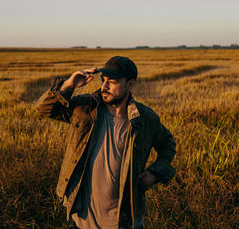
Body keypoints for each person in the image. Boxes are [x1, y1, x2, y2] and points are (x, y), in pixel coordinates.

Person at [35, 56, 176, 229]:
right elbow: (44, 108)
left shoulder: (145, 119)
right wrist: (69, 85)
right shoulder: (86, 108)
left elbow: (168, 145)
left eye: (112, 82)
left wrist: (156, 172)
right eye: (103, 80)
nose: (104, 87)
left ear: (130, 85)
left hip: (123, 221)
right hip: (82, 220)